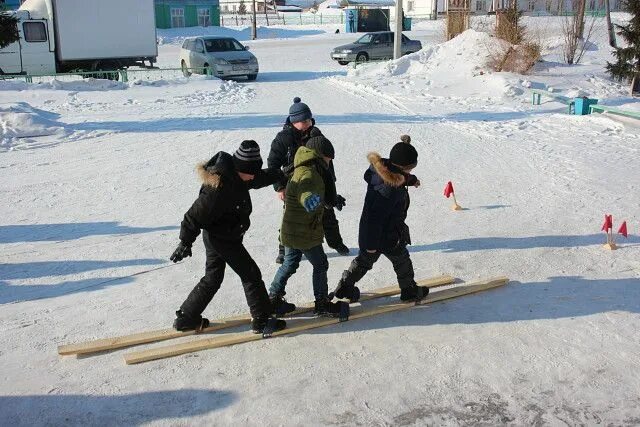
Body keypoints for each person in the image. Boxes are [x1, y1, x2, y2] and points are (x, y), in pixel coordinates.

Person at [169, 140, 286, 334]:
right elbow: (194, 216)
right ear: (240, 168)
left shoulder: (240, 176)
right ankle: (262, 320)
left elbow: (259, 177)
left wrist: (280, 173)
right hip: (222, 239)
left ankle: (187, 318)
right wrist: (185, 242)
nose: (252, 177)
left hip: (222, 235)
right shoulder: (217, 189)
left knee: (213, 278)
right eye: (250, 173)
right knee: (251, 274)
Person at [331, 135, 429, 303]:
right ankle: (409, 290)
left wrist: (411, 180)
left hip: (379, 232)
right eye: (410, 170)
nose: (410, 173)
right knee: (401, 260)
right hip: (385, 233)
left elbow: (398, 175)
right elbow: (374, 219)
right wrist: (370, 245)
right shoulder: (388, 190)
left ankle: (345, 287)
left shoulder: (383, 172)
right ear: (404, 167)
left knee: (364, 262)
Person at [267, 97, 349, 264]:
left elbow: (327, 158)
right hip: (295, 184)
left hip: (319, 181)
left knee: (327, 215)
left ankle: (336, 243)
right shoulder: (284, 138)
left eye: (309, 119)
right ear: (294, 121)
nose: (308, 123)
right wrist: (279, 187)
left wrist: (330, 180)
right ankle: (284, 249)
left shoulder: (316, 134)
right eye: (303, 120)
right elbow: (273, 163)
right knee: (291, 218)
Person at [268, 136, 342, 317]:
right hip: (304, 232)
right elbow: (305, 188)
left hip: (292, 230)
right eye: (328, 158)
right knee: (320, 264)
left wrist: (330, 199)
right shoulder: (308, 173)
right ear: (319, 155)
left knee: (289, 264)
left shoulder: (305, 167)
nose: (330, 161)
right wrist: (308, 199)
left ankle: (272, 299)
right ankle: (322, 303)